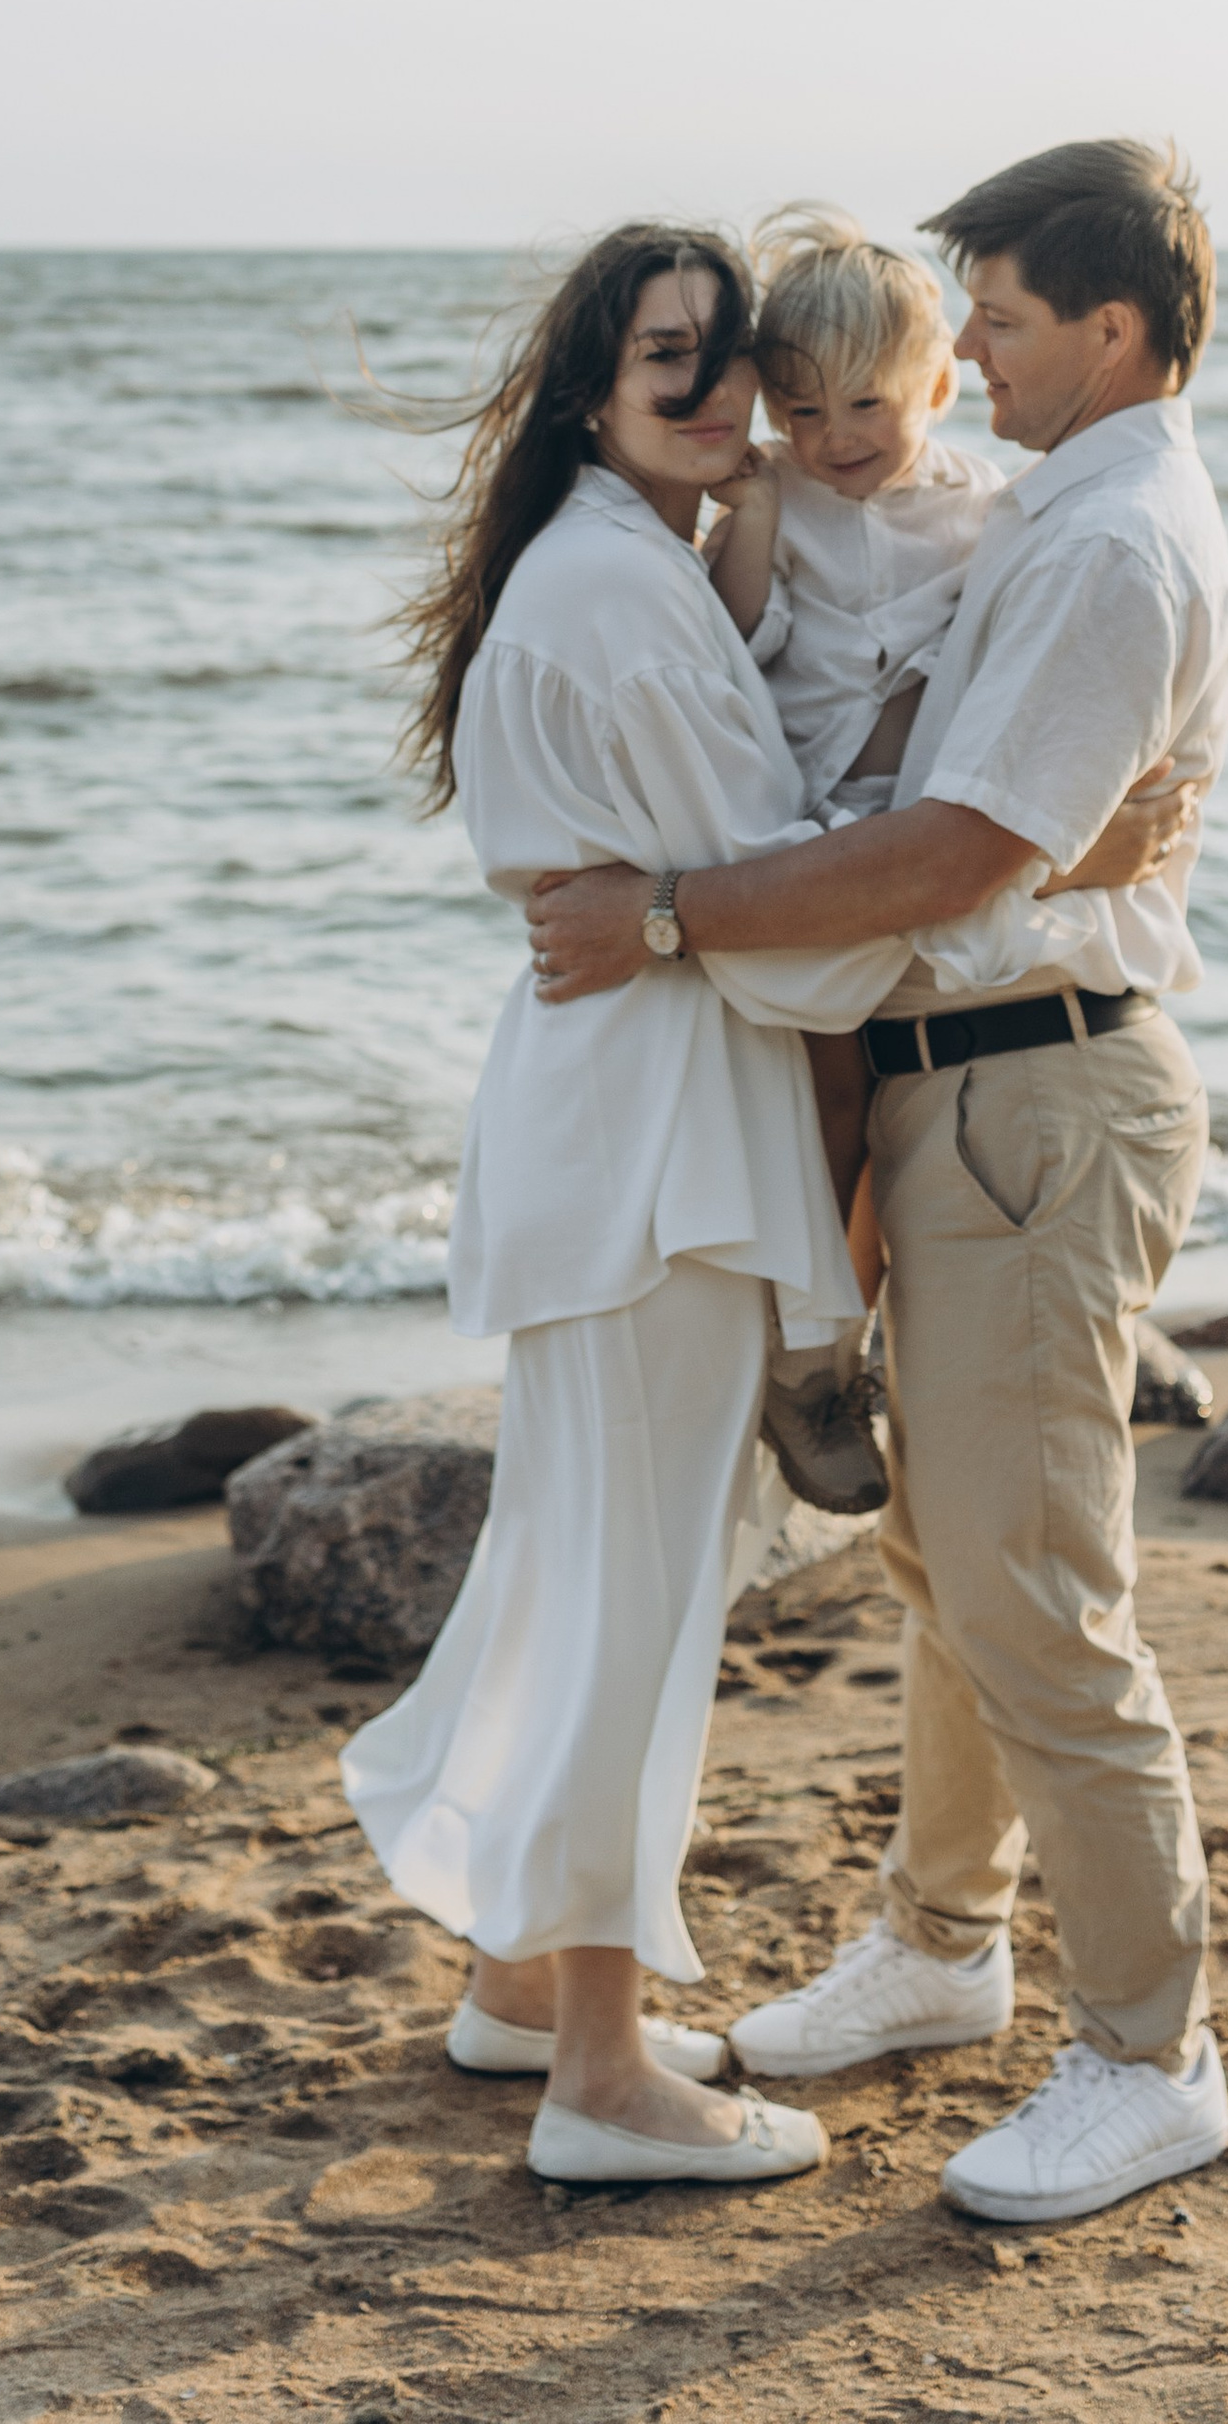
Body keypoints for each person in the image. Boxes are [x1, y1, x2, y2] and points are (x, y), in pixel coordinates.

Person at [525, 137, 1228, 2227]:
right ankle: (940, 1945)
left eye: (998, 320)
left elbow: (947, 860)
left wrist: (660, 915)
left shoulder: (1103, 545)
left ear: (1105, 326)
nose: (975, 360)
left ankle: (1149, 2054)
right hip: (956, 1090)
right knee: (947, 1559)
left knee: (1034, 1595)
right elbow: (943, 791)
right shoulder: (1052, 515)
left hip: (1036, 1096)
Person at [342, 222, 1008, 2188]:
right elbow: (783, 933)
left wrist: (722, 896)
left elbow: (709, 891)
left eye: (735, 361)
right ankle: (605, 2083)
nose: (727, 401)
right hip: (646, 1156)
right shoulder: (624, 595)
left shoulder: (605, 561)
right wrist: (937, 833)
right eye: (674, 366)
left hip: (604, 1125)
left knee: (577, 1573)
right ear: (588, 390)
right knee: (628, 1610)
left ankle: (524, 1986)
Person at [704, 207, 1004, 1518]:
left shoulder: (995, 505)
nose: (837, 438)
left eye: (869, 405)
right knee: (828, 1104)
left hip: (931, 848)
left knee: (907, 1120)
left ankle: (862, 1345)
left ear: (938, 383)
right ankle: (807, 1359)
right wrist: (759, 514)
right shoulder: (793, 505)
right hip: (813, 842)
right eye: (804, 409)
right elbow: (733, 636)